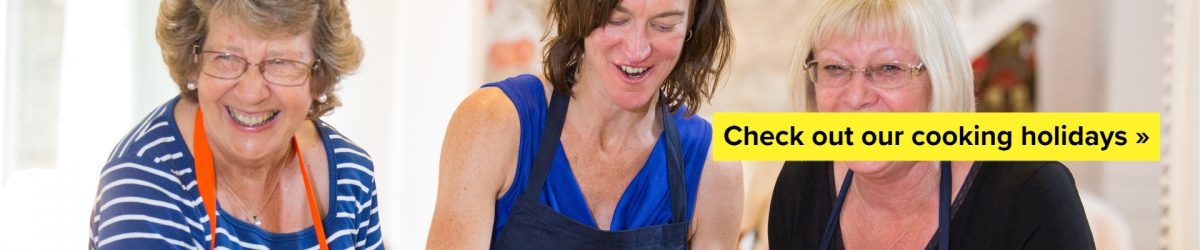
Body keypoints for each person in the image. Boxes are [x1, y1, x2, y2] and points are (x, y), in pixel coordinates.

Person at [767, 0, 1096, 249]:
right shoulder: (802, 183)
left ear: (942, 79)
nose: (855, 97)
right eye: (835, 68)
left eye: (889, 69)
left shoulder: (1030, 193)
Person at [428, 0, 743, 248]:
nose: (637, 50)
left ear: (692, 25)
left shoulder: (713, 166)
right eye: (617, 19)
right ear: (581, 10)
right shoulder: (492, 124)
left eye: (664, 25)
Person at [88, 0, 383, 249]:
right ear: (193, 61)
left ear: (320, 73)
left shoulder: (349, 174)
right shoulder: (146, 178)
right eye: (226, 57)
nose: (252, 92)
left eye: (281, 61)